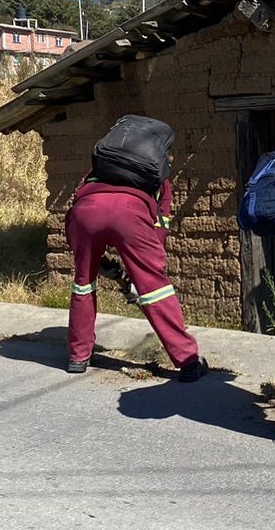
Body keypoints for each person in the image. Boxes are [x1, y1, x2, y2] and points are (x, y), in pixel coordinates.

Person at [65, 131, 206, 382]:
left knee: (83, 285)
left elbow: (78, 205)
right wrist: (146, 271)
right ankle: (188, 361)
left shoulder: (101, 166)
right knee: (156, 290)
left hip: (84, 214)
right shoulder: (158, 175)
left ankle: (78, 356)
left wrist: (96, 262)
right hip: (130, 216)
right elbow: (159, 227)